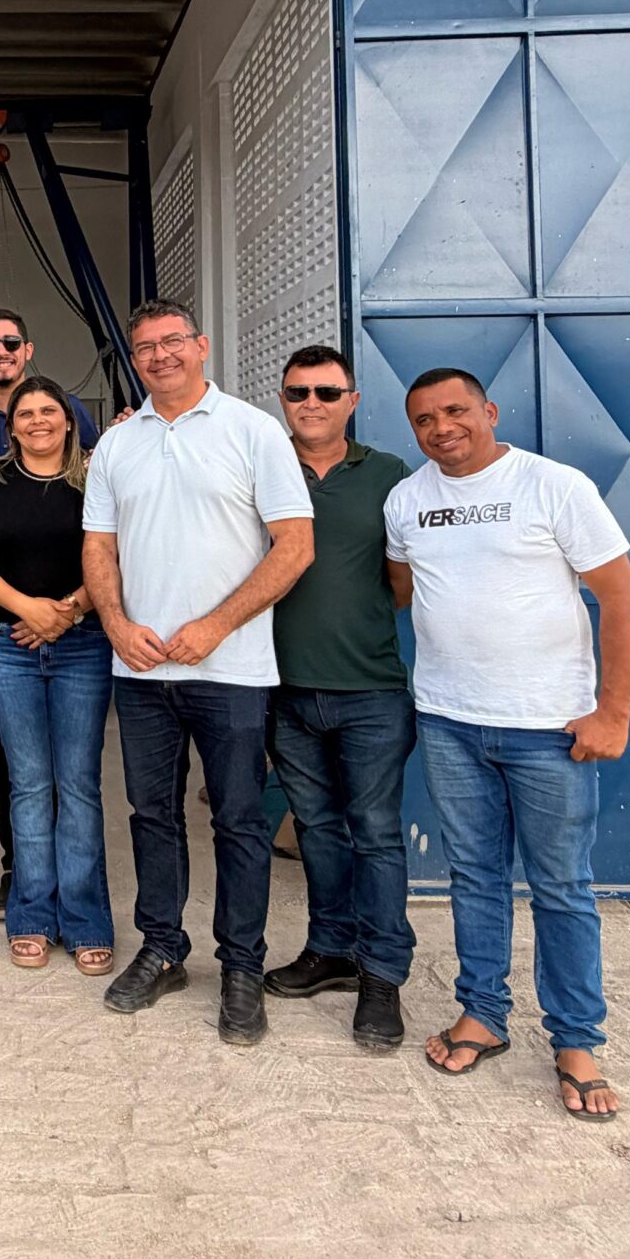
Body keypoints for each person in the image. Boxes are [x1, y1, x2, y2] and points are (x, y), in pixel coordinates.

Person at [386, 368, 630, 1123]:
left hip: (548, 728)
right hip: (448, 721)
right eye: (425, 419)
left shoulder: (554, 486)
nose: (442, 428)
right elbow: (403, 588)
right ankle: (483, 1014)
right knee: (475, 877)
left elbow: (622, 597)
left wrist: (612, 712)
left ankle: (577, 1040)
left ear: (489, 411)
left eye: (456, 411)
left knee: (562, 886)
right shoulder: (407, 501)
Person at [80, 300, 313, 1046]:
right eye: (145, 347)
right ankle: (163, 949)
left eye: (172, 341)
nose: (160, 356)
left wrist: (215, 625)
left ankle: (241, 966)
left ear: (201, 346)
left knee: (239, 820)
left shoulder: (253, 431)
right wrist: (116, 625)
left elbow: (294, 545)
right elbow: (99, 547)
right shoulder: (118, 445)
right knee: (152, 815)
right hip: (141, 669)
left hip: (233, 670)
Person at [258, 345, 415, 1050]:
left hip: (370, 691)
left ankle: (381, 975)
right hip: (286, 690)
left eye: (327, 392)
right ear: (282, 401)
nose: (311, 404)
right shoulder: (263, 466)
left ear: (352, 400)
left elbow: (402, 582)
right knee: (316, 829)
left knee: (375, 834)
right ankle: (330, 949)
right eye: (298, 393)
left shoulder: (388, 474)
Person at [0, 306, 102, 926]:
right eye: (26, 414)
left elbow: (113, 556)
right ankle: (31, 910)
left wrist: (68, 612)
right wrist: (29, 611)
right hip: (8, 640)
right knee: (29, 781)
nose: (38, 420)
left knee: (79, 784)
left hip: (84, 641)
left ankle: (86, 916)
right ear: (9, 427)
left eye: (49, 411)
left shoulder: (95, 480)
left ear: (69, 420)